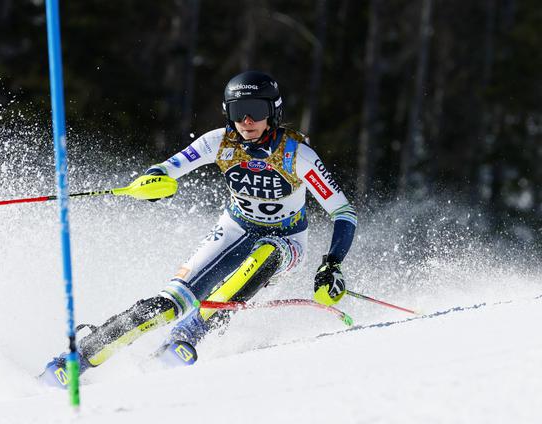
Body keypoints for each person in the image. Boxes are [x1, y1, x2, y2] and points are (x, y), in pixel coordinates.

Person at [40, 71, 357, 387]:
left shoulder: (296, 154)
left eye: (257, 111)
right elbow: (168, 168)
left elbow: (343, 212)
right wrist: (154, 180)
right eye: (237, 111)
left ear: (274, 112)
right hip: (234, 229)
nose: (247, 120)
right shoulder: (219, 142)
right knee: (164, 304)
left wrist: (333, 263)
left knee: (266, 255)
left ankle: (185, 338)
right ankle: (74, 361)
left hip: (286, 240)